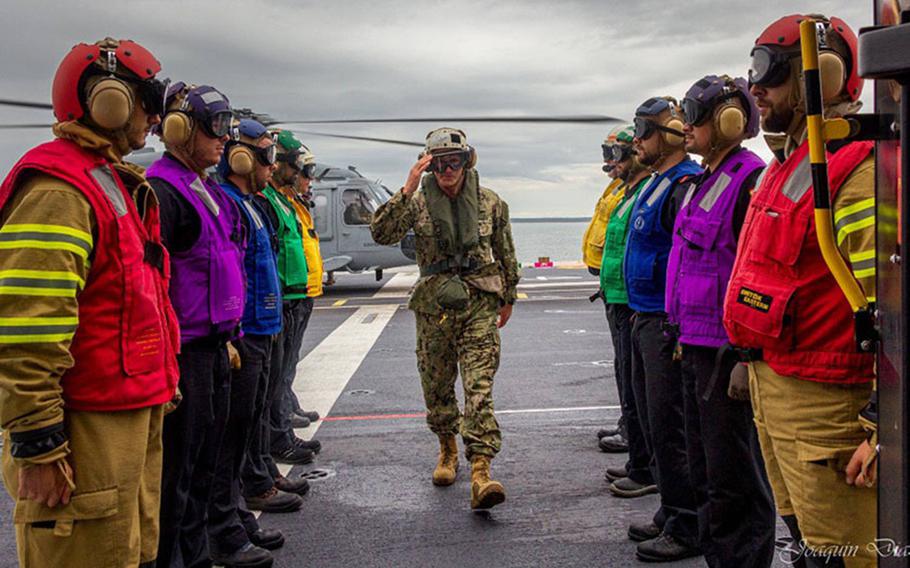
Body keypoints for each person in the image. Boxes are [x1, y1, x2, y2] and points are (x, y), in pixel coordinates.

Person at [0, 38, 178, 567]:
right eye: (145, 99)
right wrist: (38, 442)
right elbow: (26, 327)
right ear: (108, 100)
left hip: (125, 418)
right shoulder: (59, 190)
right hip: (87, 432)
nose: (153, 116)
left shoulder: (109, 181)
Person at [724, 14, 877, 567]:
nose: (756, 88)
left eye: (770, 72)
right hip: (774, 395)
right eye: (753, 71)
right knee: (805, 548)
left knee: (841, 557)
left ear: (825, 75)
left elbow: (897, 315)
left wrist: (887, 428)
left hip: (829, 417)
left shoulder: (858, 174)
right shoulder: (789, 164)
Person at [146, 83, 277, 566]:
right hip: (188, 350)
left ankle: (203, 549)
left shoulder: (199, 188)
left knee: (205, 463)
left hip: (217, 344)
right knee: (179, 472)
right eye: (216, 127)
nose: (224, 139)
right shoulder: (165, 191)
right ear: (180, 130)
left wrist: (230, 337)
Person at [371, 127, 520, 509]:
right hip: (434, 307)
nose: (447, 170)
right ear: (428, 166)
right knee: (437, 386)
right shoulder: (417, 203)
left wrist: (508, 297)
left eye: (454, 161)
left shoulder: (491, 203)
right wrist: (406, 188)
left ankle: (482, 472)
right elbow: (381, 233)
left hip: (479, 304)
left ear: (467, 161)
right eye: (438, 164)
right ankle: (446, 450)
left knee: (479, 388)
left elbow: (505, 253)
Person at [667, 74, 775, 567]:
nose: (684, 126)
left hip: (725, 351)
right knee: (707, 471)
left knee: (734, 474)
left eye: (693, 116)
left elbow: (758, 272)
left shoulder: (749, 179)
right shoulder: (702, 181)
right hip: (693, 344)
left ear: (728, 121)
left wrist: (746, 356)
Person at [208, 119, 297, 568]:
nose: (272, 165)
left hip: (261, 326)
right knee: (229, 434)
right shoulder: (225, 202)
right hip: (243, 333)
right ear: (241, 158)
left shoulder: (248, 203)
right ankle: (225, 525)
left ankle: (237, 514)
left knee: (247, 425)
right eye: (266, 155)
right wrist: (233, 334)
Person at [624, 96, 703, 562]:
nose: (638, 139)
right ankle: (669, 509)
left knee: (670, 426)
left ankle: (686, 523)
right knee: (654, 421)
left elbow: (683, 258)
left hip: (663, 321)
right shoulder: (657, 183)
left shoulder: (681, 185)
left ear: (671, 134)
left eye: (645, 130)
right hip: (644, 314)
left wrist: (673, 322)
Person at [597, 125, 657, 490]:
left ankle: (644, 465)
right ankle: (639, 456)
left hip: (631, 299)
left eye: (616, 155)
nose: (610, 163)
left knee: (639, 387)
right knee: (627, 378)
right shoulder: (624, 191)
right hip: (617, 295)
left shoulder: (647, 191)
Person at [266, 130, 323, 465]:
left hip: (300, 292)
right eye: (300, 168)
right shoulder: (273, 201)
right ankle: (279, 433)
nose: (305, 177)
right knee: (276, 373)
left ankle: (285, 419)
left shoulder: (290, 203)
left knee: (286, 367)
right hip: (285, 297)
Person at [583, 124, 631, 449]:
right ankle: (628, 423)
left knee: (629, 365)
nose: (609, 161)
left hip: (624, 292)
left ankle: (632, 431)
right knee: (622, 363)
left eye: (613, 153)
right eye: (607, 154)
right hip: (610, 287)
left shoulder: (632, 189)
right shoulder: (615, 188)